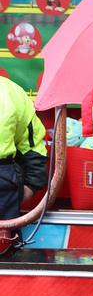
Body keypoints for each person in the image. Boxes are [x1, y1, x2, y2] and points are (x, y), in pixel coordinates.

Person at [0, 77, 48, 248]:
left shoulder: (10, 91)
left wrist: (31, 184)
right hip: (5, 183)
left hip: (4, 187)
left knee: (4, 252)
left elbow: (32, 145)